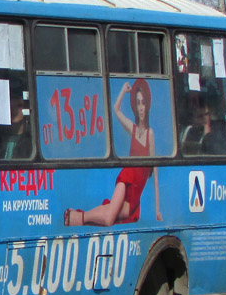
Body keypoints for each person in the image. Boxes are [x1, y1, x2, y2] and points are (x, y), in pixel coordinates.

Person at [64, 79, 161, 226]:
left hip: (136, 191)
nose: (141, 107)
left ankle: (77, 216)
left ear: (148, 105)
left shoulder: (150, 134)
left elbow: (155, 169)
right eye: (138, 103)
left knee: (112, 214)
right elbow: (116, 109)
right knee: (109, 218)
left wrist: (157, 209)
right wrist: (123, 91)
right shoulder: (133, 129)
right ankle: (76, 218)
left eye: (143, 103)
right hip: (127, 177)